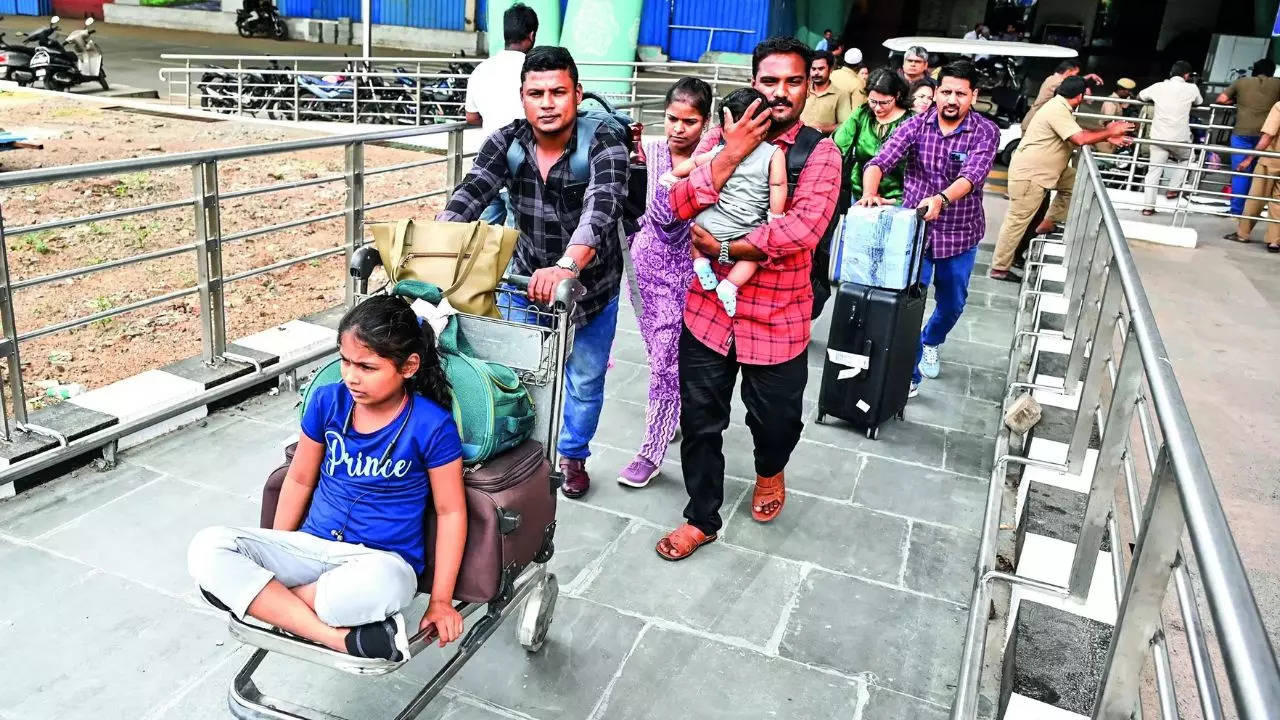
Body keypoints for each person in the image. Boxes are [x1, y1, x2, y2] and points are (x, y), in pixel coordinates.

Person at [187, 295, 468, 662]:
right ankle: (340, 639)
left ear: (409, 366)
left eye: (367, 367)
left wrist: (441, 601)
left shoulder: (432, 425)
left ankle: (264, 601)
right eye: (345, 361)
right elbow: (300, 479)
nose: (351, 376)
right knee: (208, 547)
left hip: (380, 562)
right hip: (309, 546)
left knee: (383, 587)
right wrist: (278, 548)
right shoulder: (326, 401)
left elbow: (450, 513)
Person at [656, 36, 841, 560]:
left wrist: (728, 247)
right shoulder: (721, 136)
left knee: (777, 423)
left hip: (779, 318)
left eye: (793, 81)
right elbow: (674, 206)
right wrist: (731, 153)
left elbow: (803, 230)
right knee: (700, 420)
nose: (780, 93)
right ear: (752, 82)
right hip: (708, 311)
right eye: (769, 81)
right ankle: (701, 516)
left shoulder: (819, 153)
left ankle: (770, 470)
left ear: (809, 86)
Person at [438, 46, 629, 499]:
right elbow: (473, 190)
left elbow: (601, 208)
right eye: (536, 93)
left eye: (558, 92)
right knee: (521, 371)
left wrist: (567, 265)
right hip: (526, 284)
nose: (547, 102)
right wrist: (436, 240)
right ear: (522, 97)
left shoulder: (604, 142)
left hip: (591, 288)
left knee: (584, 380)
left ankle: (573, 455)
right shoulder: (508, 141)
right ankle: (521, 451)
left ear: (577, 94)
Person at [860, 61, 998, 393]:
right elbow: (880, 161)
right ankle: (909, 372)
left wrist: (940, 199)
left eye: (961, 93)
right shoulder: (915, 125)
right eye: (946, 91)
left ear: (973, 96)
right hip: (915, 233)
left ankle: (932, 340)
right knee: (907, 302)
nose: (952, 99)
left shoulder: (985, 131)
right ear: (935, 93)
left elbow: (972, 176)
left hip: (959, 233)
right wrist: (869, 193)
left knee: (952, 303)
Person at [617, 78, 712, 488]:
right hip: (644, 272)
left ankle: (651, 449)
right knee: (659, 355)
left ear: (705, 123)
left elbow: (672, 223)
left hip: (690, 272)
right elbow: (641, 212)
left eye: (689, 122)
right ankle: (669, 415)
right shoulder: (648, 152)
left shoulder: (715, 162)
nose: (678, 129)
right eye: (672, 118)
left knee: (664, 363)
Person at [990, 77, 1134, 280]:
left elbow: (1077, 130)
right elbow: (1079, 138)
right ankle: (999, 268)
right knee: (1017, 221)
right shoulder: (1056, 110)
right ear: (1079, 96)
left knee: (1074, 183)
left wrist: (1106, 136)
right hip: (1032, 174)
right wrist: (1110, 131)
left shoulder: (1061, 106)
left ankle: (1048, 222)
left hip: (1048, 170)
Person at [662, 88, 787, 317]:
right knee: (755, 256)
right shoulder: (773, 153)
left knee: (694, 232)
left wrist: (672, 175)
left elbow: (694, 162)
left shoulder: (720, 150)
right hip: (745, 224)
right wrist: (776, 216)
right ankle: (730, 284)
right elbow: (778, 185)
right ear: (765, 124)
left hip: (710, 220)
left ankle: (700, 263)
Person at [464, 3, 538, 227]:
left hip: (488, 165)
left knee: (485, 236)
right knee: (516, 240)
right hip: (523, 169)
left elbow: (471, 117)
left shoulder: (481, 70)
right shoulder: (535, 71)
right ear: (532, 35)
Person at [834, 69, 913, 204]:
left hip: (898, 197)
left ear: (897, 96)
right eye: (873, 101)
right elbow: (838, 145)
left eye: (884, 103)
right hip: (861, 195)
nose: (877, 108)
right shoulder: (861, 114)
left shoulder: (911, 121)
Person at [1215, 59, 1280, 218]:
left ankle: (1237, 211)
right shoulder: (1278, 84)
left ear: (1254, 70)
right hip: (1267, 136)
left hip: (1241, 133)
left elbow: (1221, 99)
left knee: (1240, 172)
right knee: (1260, 174)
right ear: (1272, 72)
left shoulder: (1242, 82)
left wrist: (1238, 102)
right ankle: (1252, 212)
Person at [1139, 61, 1202, 216]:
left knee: (1153, 172)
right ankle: (1173, 188)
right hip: (1180, 137)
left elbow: (1139, 96)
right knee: (1188, 159)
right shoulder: (1192, 88)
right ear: (1187, 75)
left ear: (1171, 73)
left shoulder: (1158, 86)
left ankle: (1148, 207)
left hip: (1158, 136)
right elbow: (1199, 102)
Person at [1225, 98, 1280, 252]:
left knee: (1256, 198)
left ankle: (1243, 233)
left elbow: (1268, 135)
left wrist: (1249, 158)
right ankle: (1275, 241)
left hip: (1271, 159)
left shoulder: (1279, 106)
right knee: (1278, 203)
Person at [800, 50, 852, 134]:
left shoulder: (841, 94)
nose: (816, 73)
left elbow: (845, 124)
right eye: (813, 69)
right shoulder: (803, 89)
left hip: (822, 143)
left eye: (821, 69)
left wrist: (821, 129)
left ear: (830, 69)